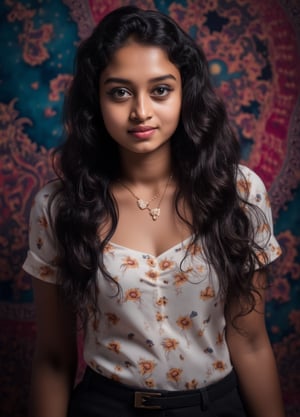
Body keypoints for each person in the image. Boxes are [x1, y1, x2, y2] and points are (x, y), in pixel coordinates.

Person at [23, 5, 286, 417]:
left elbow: (251, 342)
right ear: (96, 99)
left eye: (160, 90)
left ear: (186, 93)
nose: (140, 112)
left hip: (215, 407)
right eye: (120, 92)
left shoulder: (239, 192)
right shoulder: (60, 206)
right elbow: (54, 359)